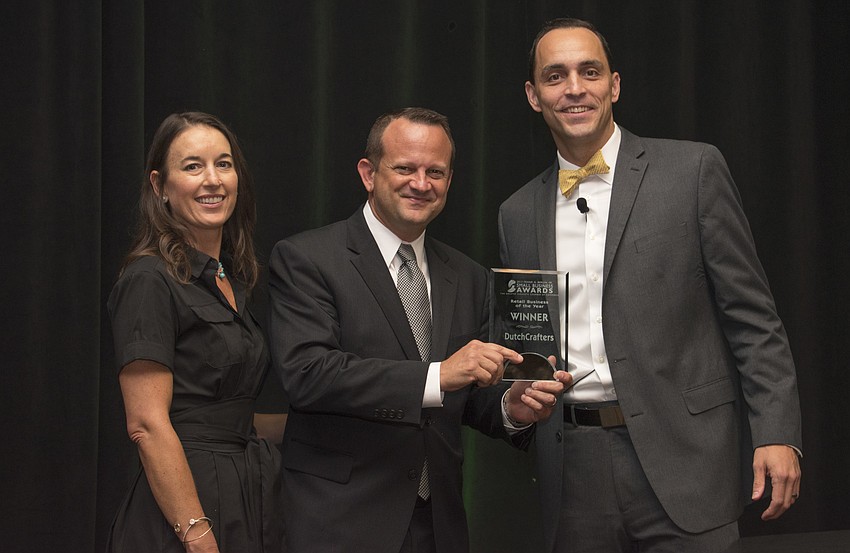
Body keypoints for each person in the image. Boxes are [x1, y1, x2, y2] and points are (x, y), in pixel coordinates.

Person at [498, 18, 802, 553]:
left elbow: (754, 321)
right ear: (533, 95)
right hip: (572, 470)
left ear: (614, 85)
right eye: (555, 76)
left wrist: (777, 432)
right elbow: (523, 345)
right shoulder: (516, 213)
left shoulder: (693, 170)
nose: (574, 88)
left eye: (589, 72)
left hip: (688, 458)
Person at [268, 107, 568, 553]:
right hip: (340, 522)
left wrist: (512, 406)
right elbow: (309, 375)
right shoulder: (307, 259)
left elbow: (469, 398)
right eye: (405, 168)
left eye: (436, 172)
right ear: (368, 174)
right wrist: (437, 375)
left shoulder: (467, 276)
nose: (421, 183)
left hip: (439, 525)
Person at [107, 112, 284, 552]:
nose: (213, 180)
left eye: (224, 164)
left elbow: (226, 414)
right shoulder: (149, 279)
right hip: (185, 510)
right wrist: (197, 535)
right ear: (159, 186)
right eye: (192, 166)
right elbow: (147, 424)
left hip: (247, 494)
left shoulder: (233, 280)